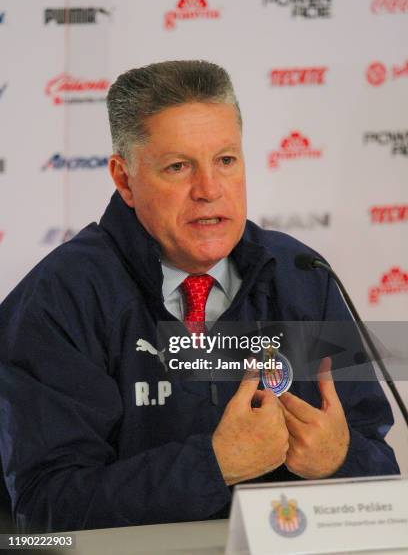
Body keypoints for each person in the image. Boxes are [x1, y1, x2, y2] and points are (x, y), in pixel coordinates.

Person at [0, 60, 399, 533]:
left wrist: (341, 459)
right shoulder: (61, 299)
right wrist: (213, 465)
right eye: (179, 167)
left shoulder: (302, 277)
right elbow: (45, 508)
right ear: (124, 179)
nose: (209, 191)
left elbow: (381, 470)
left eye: (226, 161)